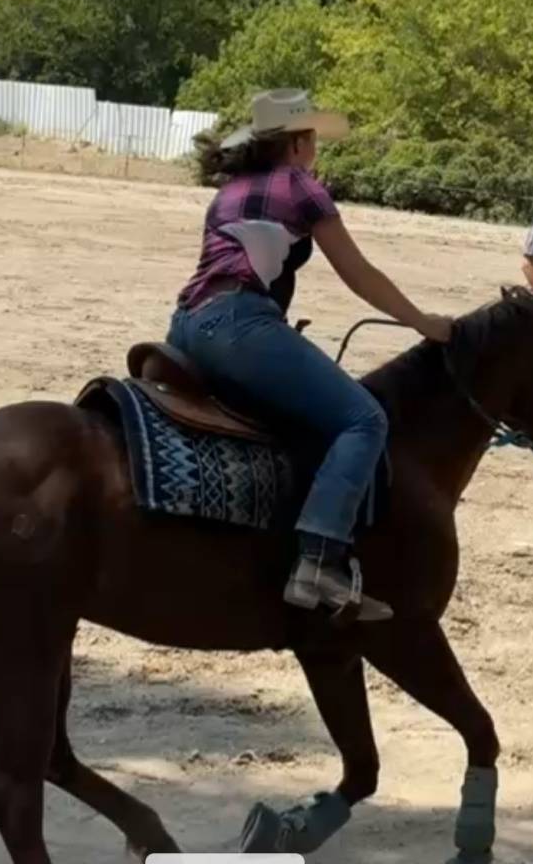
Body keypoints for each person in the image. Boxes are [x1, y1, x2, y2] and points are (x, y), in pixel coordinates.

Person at [167, 88, 452, 622]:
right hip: (240, 326)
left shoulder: (228, 191)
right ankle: (319, 560)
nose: (316, 147)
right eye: (312, 137)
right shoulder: (302, 186)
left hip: (186, 326)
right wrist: (422, 322)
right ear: (298, 144)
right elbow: (358, 272)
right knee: (364, 419)